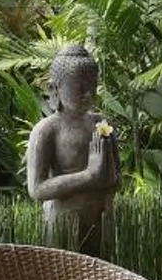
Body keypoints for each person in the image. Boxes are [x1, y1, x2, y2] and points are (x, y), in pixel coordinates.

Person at [24, 43, 121, 253]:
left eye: (92, 88)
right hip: (64, 222)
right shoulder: (46, 130)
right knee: (65, 279)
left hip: (100, 219)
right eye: (79, 89)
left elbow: (116, 180)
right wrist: (89, 176)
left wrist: (107, 173)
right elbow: (37, 189)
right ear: (54, 89)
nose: (88, 95)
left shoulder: (101, 124)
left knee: (99, 279)